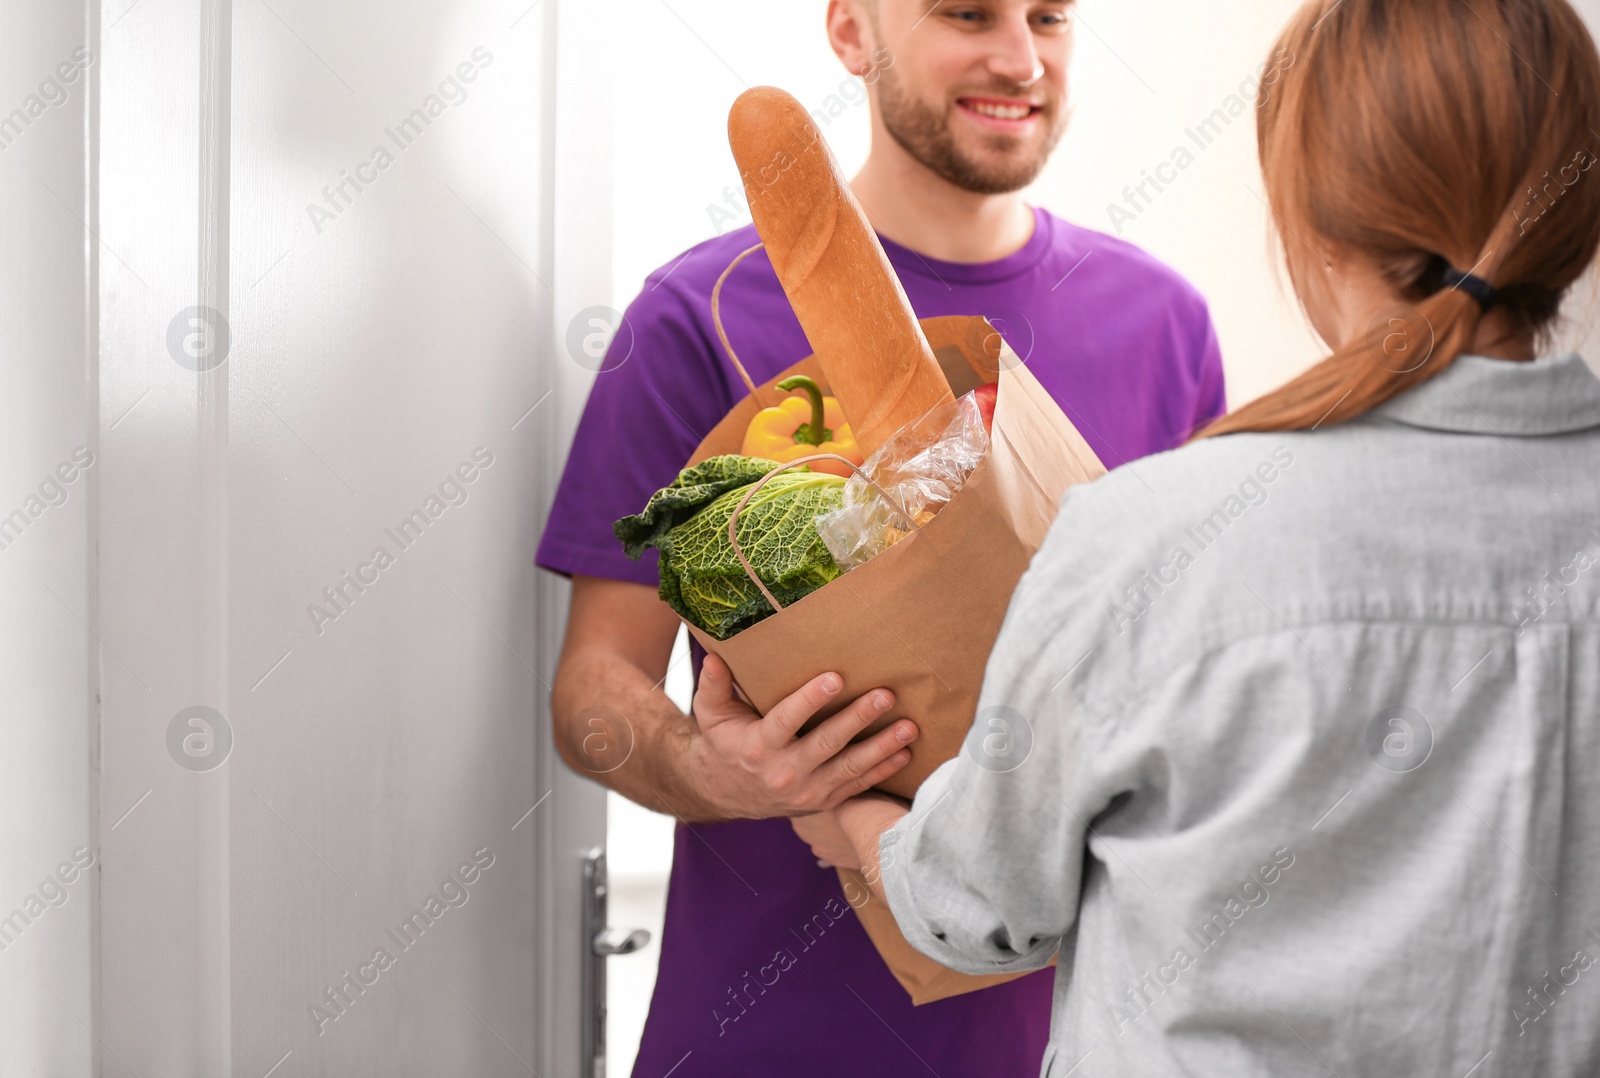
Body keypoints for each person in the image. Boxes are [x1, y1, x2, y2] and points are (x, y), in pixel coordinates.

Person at [792, 0, 1600, 1074]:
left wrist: (843, 815)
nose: (1021, 51)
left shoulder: (1155, 535)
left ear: (1309, 218)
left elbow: (975, 906)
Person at [537, 0, 1226, 1073]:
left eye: (1049, 17)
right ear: (851, 31)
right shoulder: (697, 313)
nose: (1019, 56)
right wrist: (725, 774)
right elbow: (591, 692)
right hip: (766, 1038)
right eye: (967, 12)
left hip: (1077, 1039)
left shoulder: (1165, 323)